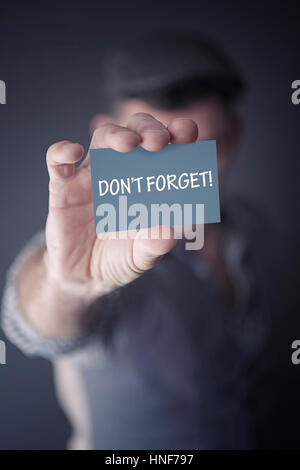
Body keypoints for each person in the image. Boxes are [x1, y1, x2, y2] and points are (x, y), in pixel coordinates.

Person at [1, 32, 276, 450]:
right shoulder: (100, 241)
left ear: (234, 136)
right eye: (162, 158)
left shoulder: (255, 229)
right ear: (104, 134)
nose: (184, 181)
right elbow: (39, 323)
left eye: (206, 153)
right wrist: (71, 283)